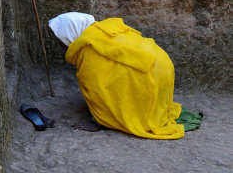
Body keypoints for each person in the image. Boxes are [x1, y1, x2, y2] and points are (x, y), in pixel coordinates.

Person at [49, 12, 203, 140]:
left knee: (96, 83)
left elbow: (98, 90)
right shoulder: (103, 30)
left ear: (70, 33)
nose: (59, 44)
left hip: (151, 71)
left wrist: (98, 120)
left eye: (60, 39)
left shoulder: (89, 49)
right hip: (160, 63)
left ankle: (106, 120)